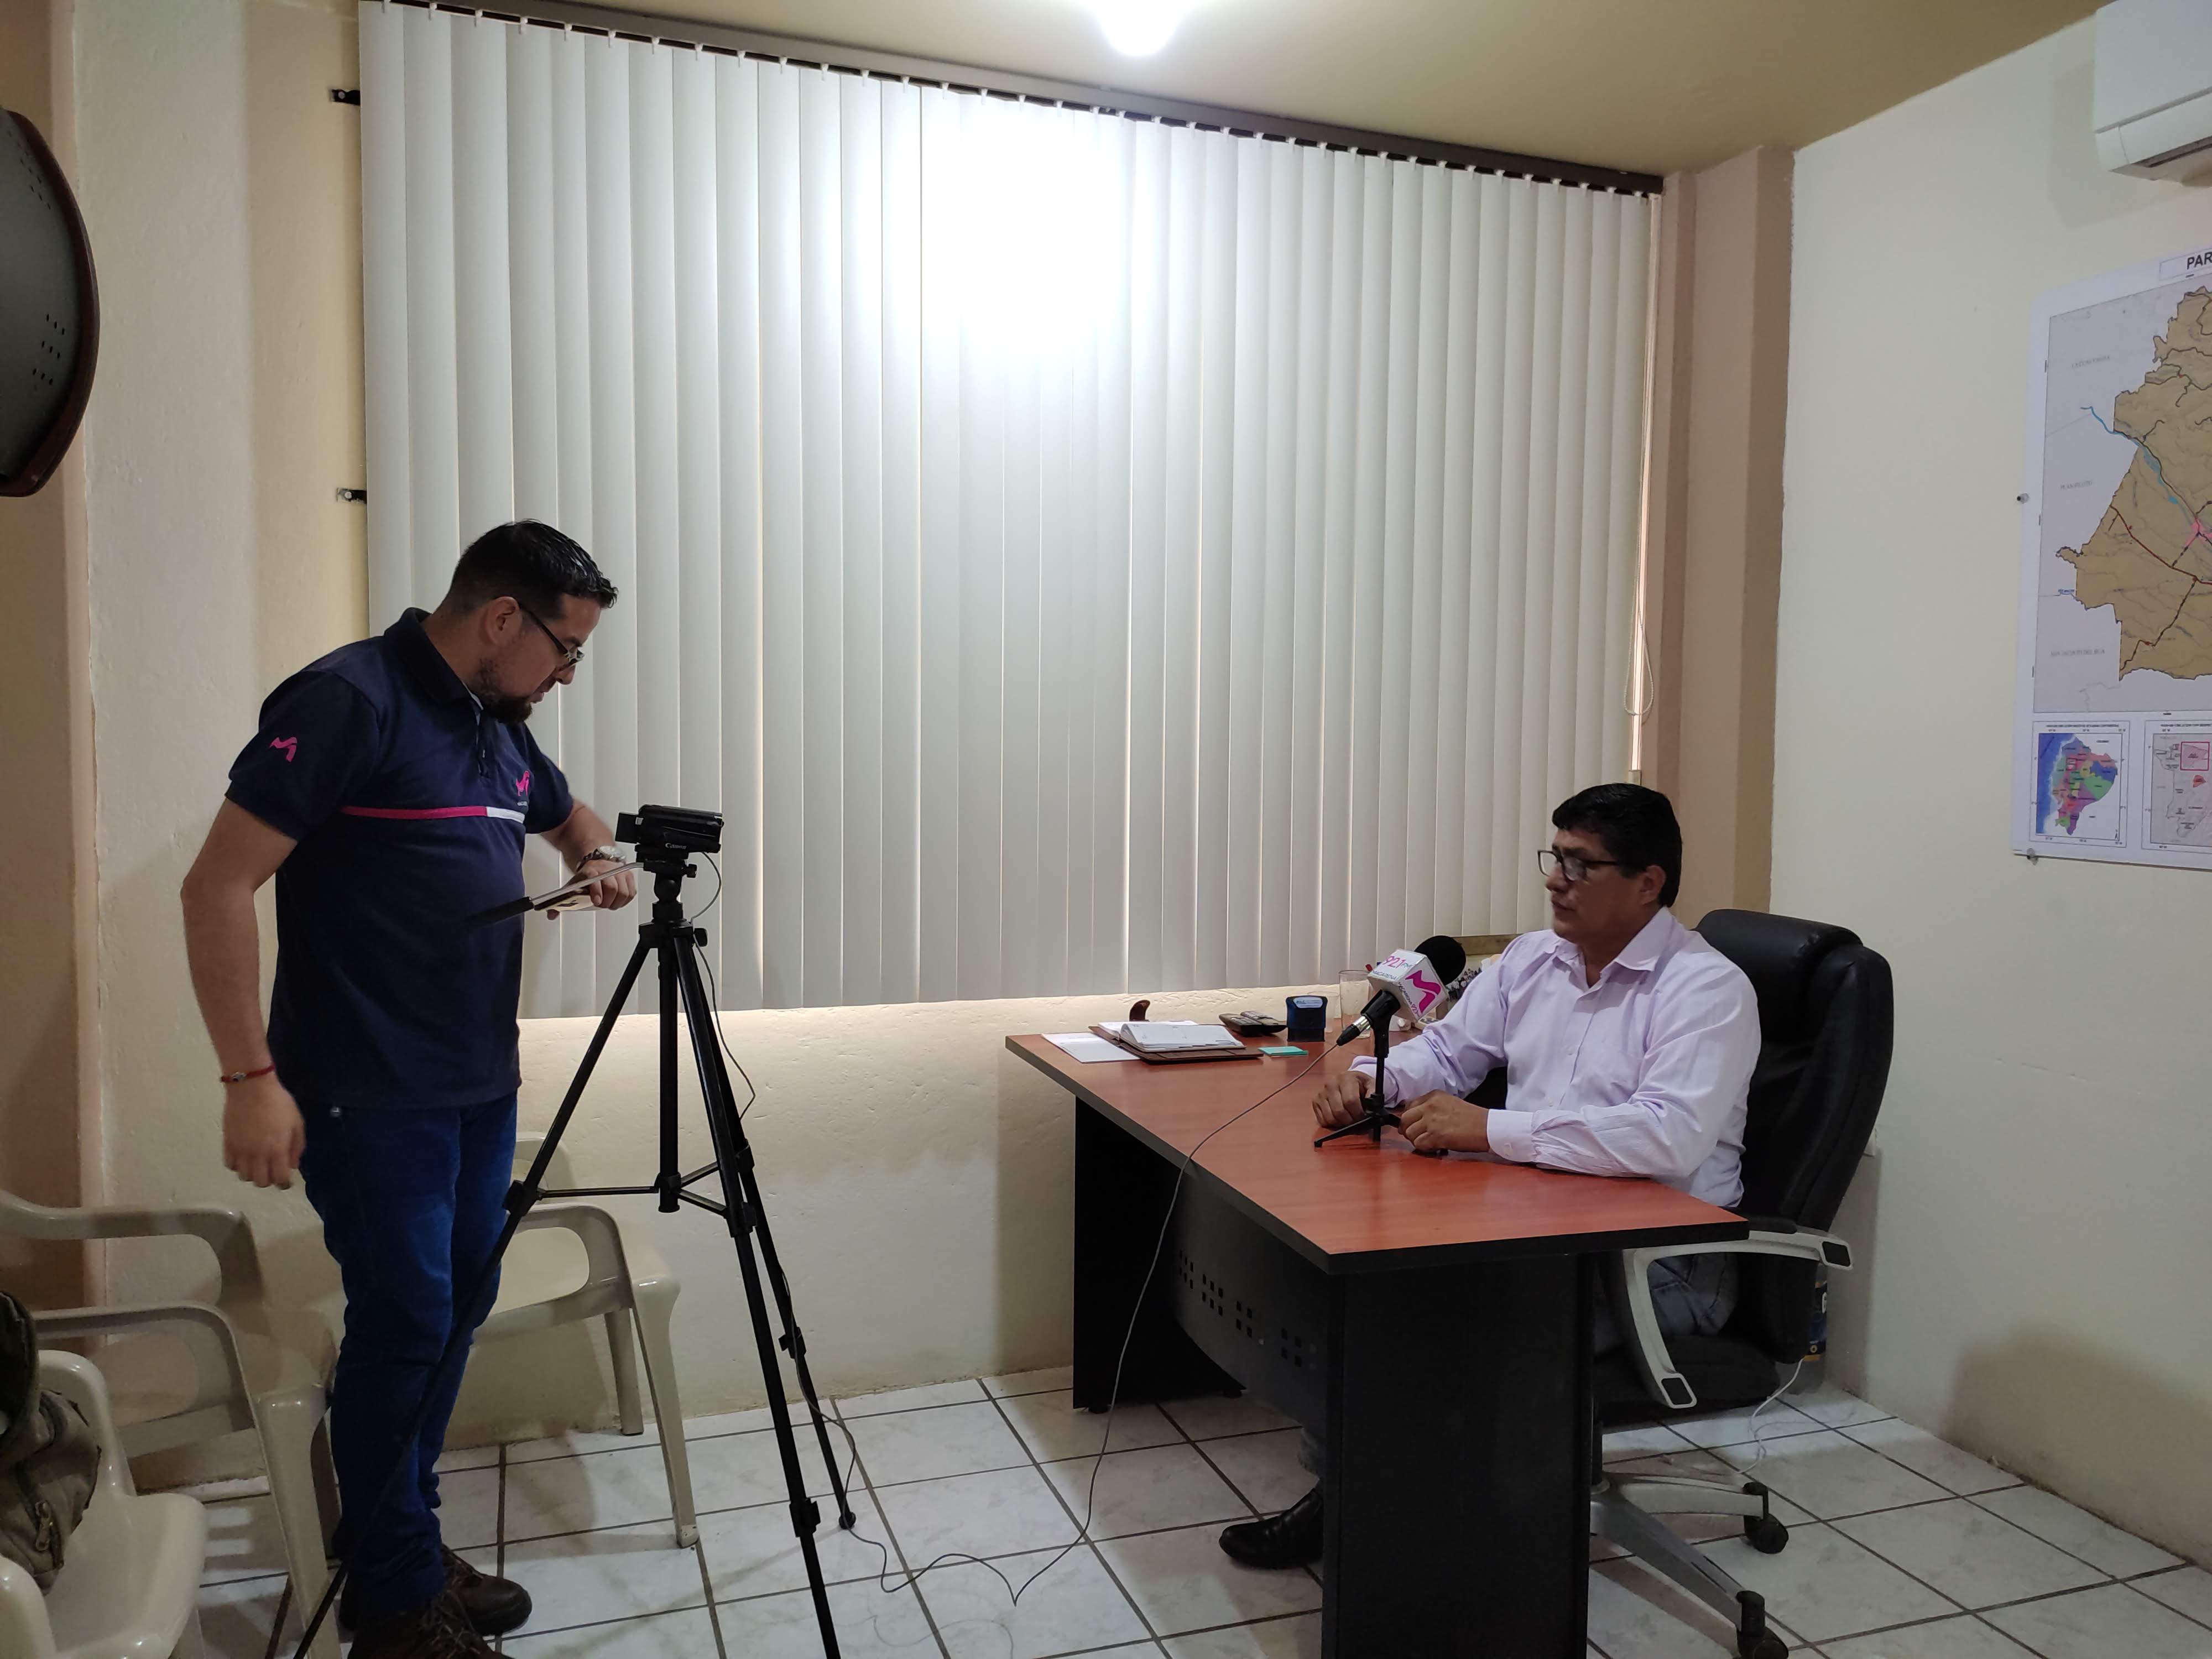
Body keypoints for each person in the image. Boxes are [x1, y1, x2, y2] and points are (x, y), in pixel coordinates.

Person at [180, 522, 639, 1657]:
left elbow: (567, 814)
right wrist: (249, 1078)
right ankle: (391, 1606)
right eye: (565, 650)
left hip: (478, 1084)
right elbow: (216, 887)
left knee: (450, 1314)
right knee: (408, 1323)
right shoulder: (351, 700)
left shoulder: (496, 724)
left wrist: (591, 856)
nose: (567, 675)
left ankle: (403, 1543)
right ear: (502, 619)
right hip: (367, 1092)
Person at [1218, 782, 1760, 1572]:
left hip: (1661, 1262)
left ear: (1647, 883)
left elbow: (1666, 1138)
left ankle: (1399, 1536)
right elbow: (1448, 1053)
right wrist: (1371, 1081)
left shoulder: (1706, 990)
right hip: (1542, 1224)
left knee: (1439, 1331)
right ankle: (1365, 1503)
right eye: (1555, 857)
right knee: (1372, 1297)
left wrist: (1488, 1129)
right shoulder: (1534, 960)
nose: (1555, 880)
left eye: (1580, 865)